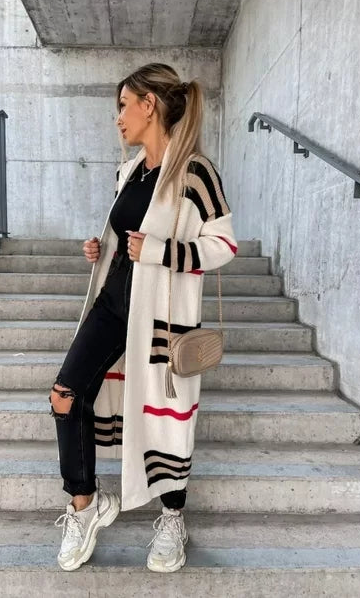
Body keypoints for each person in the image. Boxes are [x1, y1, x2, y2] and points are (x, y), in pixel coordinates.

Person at [48, 63, 238, 573]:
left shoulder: (195, 172)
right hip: (113, 304)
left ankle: (173, 519)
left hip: (160, 319)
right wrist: (101, 248)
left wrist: (161, 251)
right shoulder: (129, 171)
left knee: (164, 419)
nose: (119, 118)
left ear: (148, 105)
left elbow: (223, 245)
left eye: (123, 105)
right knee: (65, 394)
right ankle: (85, 505)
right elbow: (125, 235)